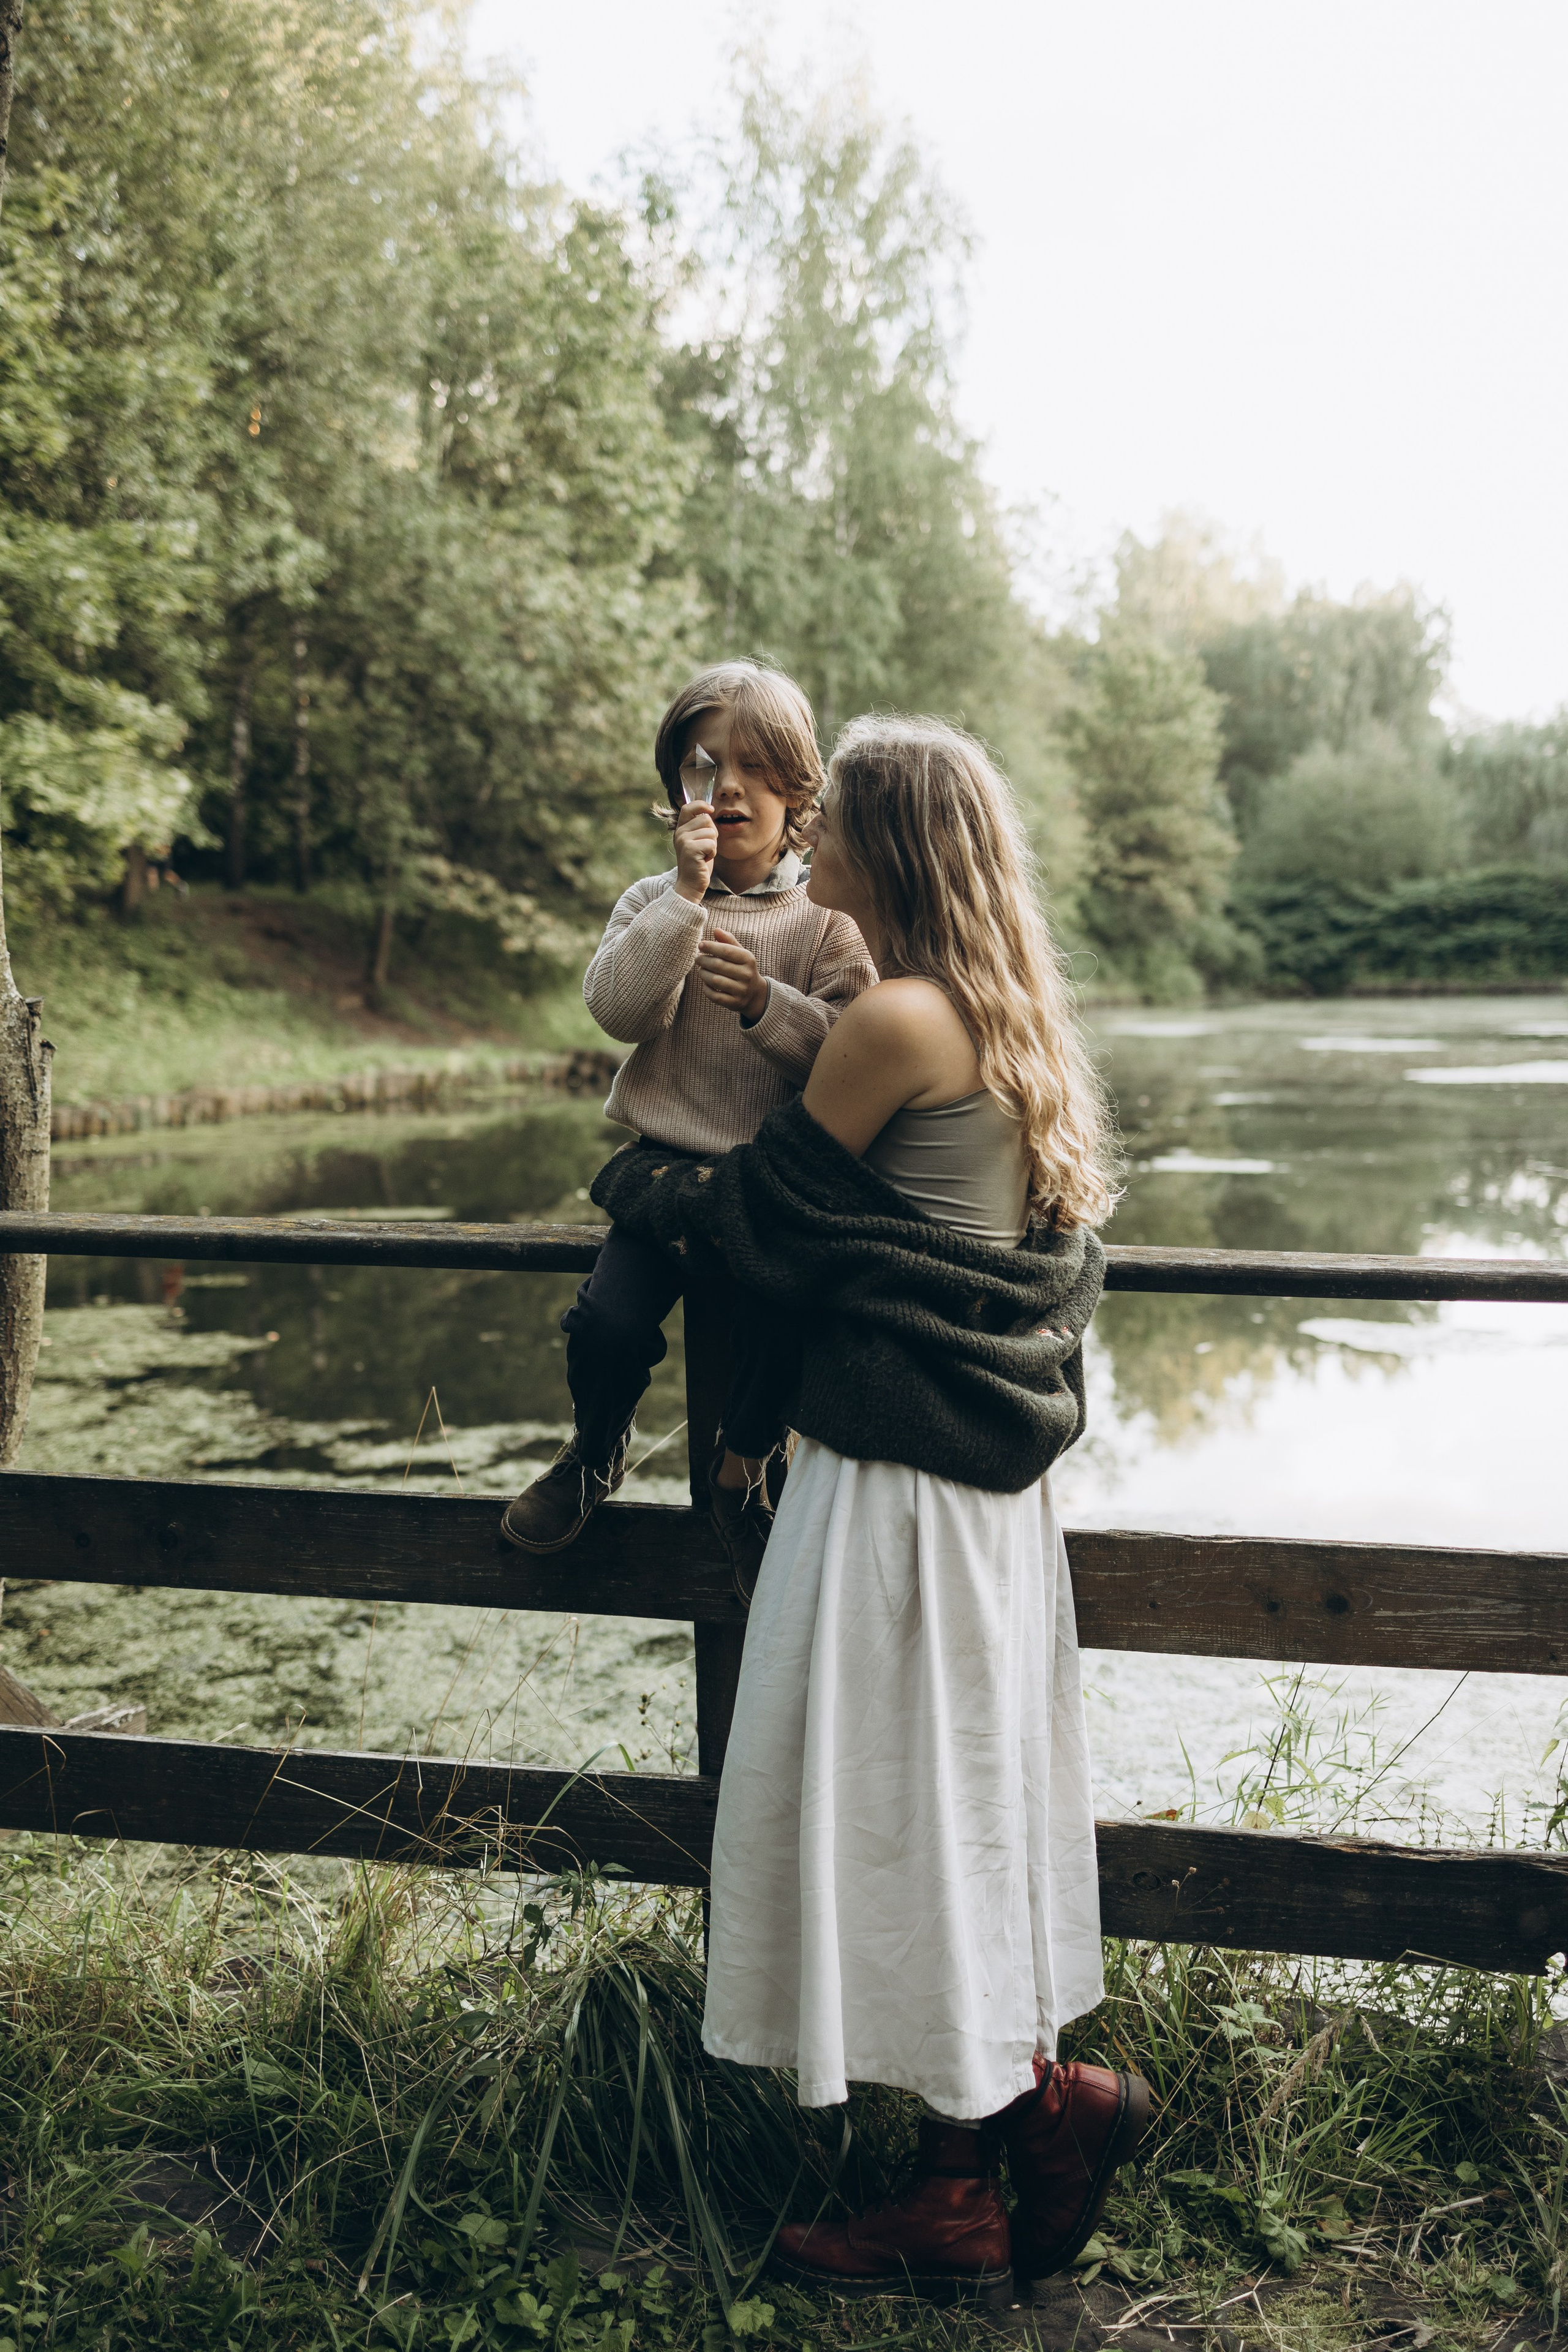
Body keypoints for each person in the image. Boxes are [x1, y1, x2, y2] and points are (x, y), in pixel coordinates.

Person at [591, 714, 1147, 2304]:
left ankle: (994, 2158)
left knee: (896, 1807)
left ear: (891, 849)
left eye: (838, 822)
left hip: (900, 1487)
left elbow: (764, 1225)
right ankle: (996, 2146)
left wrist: (630, 1188)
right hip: (985, 1503)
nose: (808, 841)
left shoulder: (893, 1018)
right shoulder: (1006, 1009)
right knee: (951, 1804)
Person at [500, 661, 876, 1593]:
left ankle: (745, 1471)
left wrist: (767, 1005)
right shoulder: (650, 900)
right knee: (605, 1326)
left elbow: (856, 1050)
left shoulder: (827, 919)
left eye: (756, 769)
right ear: (676, 790)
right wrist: (682, 898)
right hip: (663, 1175)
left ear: (799, 792)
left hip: (777, 1185)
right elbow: (617, 1011)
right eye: (705, 769)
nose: (730, 789)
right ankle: (593, 1453)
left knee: (786, 1326)